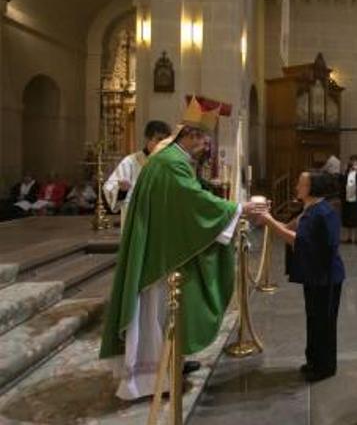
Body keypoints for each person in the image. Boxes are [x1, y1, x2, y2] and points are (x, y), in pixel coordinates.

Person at [99, 97, 268, 400]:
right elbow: (192, 202)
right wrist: (238, 209)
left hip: (160, 244)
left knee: (166, 311)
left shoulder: (170, 160)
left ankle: (169, 362)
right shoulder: (171, 163)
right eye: (204, 139)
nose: (206, 145)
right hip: (158, 255)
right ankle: (152, 378)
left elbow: (188, 199)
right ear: (189, 135)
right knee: (157, 310)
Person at [259, 171, 345, 382]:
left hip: (326, 277)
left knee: (324, 323)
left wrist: (269, 220)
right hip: (314, 275)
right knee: (314, 319)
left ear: (312, 189)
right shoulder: (309, 209)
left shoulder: (323, 212)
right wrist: (268, 218)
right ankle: (313, 361)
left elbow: (300, 241)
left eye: (301, 184)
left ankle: (324, 367)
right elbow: (288, 229)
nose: (297, 187)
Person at [104, 120, 172, 227]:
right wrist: (122, 190)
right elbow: (110, 187)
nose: (163, 144)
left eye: (166, 140)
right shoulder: (130, 162)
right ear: (148, 139)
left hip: (161, 221)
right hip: (137, 221)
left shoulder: (170, 164)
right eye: (159, 139)